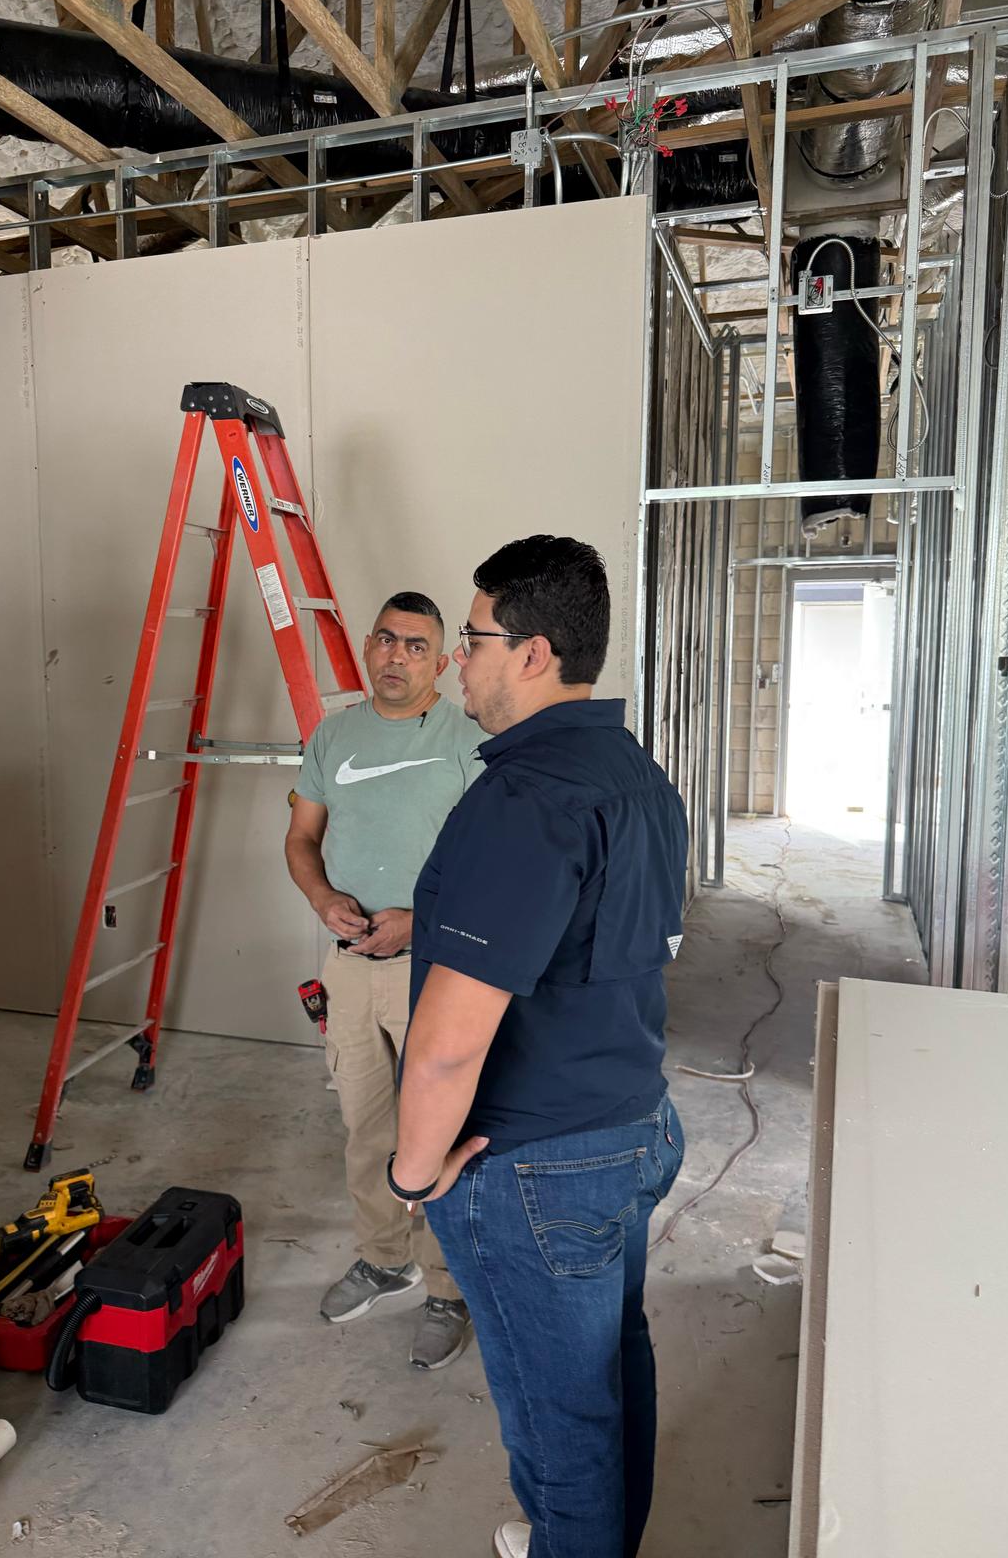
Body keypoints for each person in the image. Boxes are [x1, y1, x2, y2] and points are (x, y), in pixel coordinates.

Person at [389, 536, 689, 1558]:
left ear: (531, 652)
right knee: (613, 1366)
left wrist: (413, 1172)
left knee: (562, 1427)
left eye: (471, 639)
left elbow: (445, 1046)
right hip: (635, 1125)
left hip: (537, 1167)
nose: (454, 661)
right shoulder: (637, 774)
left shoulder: (524, 800)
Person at [285, 591, 482, 1370]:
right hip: (350, 969)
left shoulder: (469, 742)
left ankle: (449, 1288)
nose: (397, 656)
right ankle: (383, 1258)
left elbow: (493, 866)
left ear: (442, 661)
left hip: (435, 969)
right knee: (366, 1127)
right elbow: (301, 838)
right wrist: (322, 898)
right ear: (368, 646)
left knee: (438, 1133)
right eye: (387, 640)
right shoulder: (332, 737)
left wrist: (420, 919)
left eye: (416, 645)